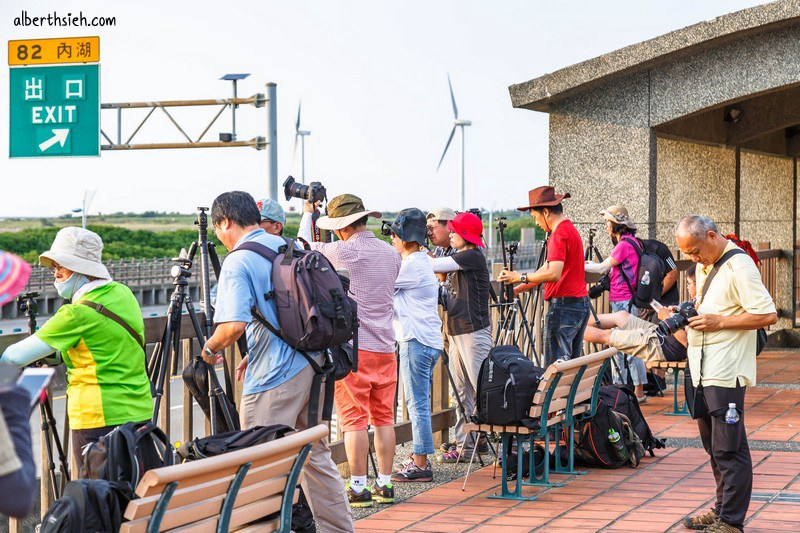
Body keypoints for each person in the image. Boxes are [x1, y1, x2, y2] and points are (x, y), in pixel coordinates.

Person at [201, 191, 354, 532]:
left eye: (217, 229)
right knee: (315, 457)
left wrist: (210, 350)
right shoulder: (286, 245)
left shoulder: (239, 260)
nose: (219, 238)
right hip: (314, 365)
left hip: (273, 377)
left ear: (226, 222)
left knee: (259, 465)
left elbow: (233, 326)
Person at [0, 227, 153, 472]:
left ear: (82, 269)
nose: (56, 274)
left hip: (98, 420)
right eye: (53, 268)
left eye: (61, 267)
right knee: (132, 495)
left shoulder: (75, 314)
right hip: (140, 412)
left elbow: (13, 356)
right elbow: (105, 342)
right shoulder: (123, 293)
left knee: (99, 500)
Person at [299, 194, 401, 508]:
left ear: (341, 227)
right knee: (384, 418)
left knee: (354, 420)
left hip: (356, 350)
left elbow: (303, 248)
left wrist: (308, 215)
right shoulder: (391, 252)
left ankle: (358, 487)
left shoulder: (344, 251)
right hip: (387, 346)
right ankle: (386, 483)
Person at [675, 215, 777, 533]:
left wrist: (720, 323)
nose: (693, 260)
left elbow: (767, 313)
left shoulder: (739, 265)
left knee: (729, 448)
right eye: (687, 254)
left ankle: (731, 521)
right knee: (713, 446)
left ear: (711, 236)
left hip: (726, 371)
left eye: (695, 251)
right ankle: (721, 510)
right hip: (703, 368)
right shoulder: (707, 265)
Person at [497, 186, 589, 365]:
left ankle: (555, 395)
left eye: (535, 217)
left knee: (555, 369)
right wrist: (519, 287)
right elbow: (546, 268)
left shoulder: (558, 235)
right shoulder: (570, 230)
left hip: (564, 308)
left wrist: (519, 276)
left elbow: (553, 274)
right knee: (571, 366)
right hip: (580, 305)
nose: (536, 223)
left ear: (545, 212)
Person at [429, 212, 491, 463]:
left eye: (454, 231)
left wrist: (416, 251)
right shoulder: (459, 257)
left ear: (465, 235)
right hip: (457, 331)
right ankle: (467, 445)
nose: (450, 234)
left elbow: (434, 266)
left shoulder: (471, 255)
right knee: (460, 391)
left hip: (473, 332)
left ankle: (484, 439)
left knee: (481, 389)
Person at [387, 208, 443, 483]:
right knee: (419, 401)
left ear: (406, 239)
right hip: (428, 340)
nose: (392, 241)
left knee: (417, 403)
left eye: (395, 236)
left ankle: (420, 464)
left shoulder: (411, 266)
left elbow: (382, 286)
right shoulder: (423, 262)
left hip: (415, 340)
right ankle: (419, 456)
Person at [584, 205, 648, 400]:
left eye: (608, 222)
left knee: (626, 345)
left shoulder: (624, 245)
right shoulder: (633, 243)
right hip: (626, 299)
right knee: (622, 345)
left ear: (616, 225)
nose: (605, 227)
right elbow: (608, 269)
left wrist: (581, 265)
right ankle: (626, 389)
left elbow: (603, 266)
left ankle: (633, 390)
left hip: (624, 301)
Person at [583, 268, 694, 364]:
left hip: (663, 346)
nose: (687, 287)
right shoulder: (696, 302)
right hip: (659, 332)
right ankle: (576, 321)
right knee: (621, 316)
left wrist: (667, 317)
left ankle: (573, 328)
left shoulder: (703, 306)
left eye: (689, 283)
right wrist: (674, 312)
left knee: (608, 335)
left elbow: (687, 342)